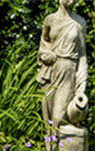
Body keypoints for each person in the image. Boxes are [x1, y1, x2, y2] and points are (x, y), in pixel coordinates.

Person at [37, 0, 88, 140]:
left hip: (68, 72)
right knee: (47, 117)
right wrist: (44, 54)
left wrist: (82, 84)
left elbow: (82, 55)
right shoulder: (50, 20)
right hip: (50, 71)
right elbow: (43, 44)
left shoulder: (80, 22)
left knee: (58, 117)